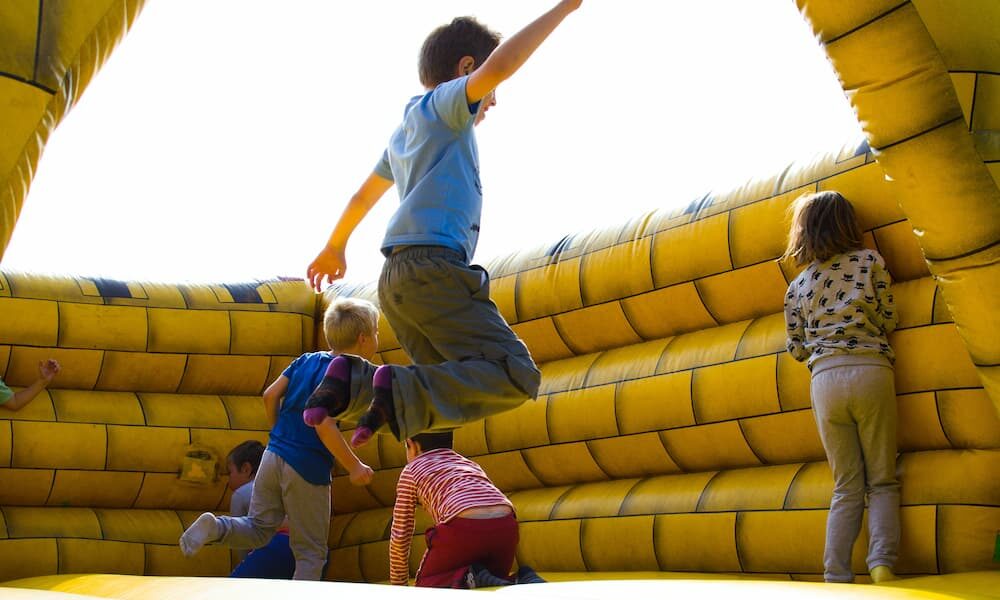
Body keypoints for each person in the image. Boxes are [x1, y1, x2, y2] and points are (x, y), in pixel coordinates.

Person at [303, 1, 584, 448]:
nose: (494, 99)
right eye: (489, 88)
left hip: (395, 281)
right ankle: (393, 389)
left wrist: (334, 246)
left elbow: (363, 195)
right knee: (515, 374)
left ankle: (357, 383)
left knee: (437, 398)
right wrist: (564, 10)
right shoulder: (447, 108)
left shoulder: (406, 131)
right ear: (468, 67)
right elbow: (504, 64)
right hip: (434, 269)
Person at [179, 298, 378, 580]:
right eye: (377, 332)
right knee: (310, 552)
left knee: (259, 528)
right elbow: (322, 423)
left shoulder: (306, 360)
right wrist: (354, 465)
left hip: (273, 455)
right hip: (307, 465)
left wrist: (278, 434)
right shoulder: (346, 374)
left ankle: (216, 527)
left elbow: (270, 395)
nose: (378, 339)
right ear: (363, 339)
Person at [783, 191, 900, 584]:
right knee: (882, 477)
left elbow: (796, 348)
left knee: (846, 484)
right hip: (870, 369)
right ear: (849, 225)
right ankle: (882, 562)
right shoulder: (870, 262)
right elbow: (888, 317)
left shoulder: (797, 286)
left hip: (825, 381)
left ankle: (836, 575)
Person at [389, 431, 544, 588]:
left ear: (412, 445)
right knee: (492, 581)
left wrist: (399, 585)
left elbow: (401, 533)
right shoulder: (468, 464)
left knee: (426, 587)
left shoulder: (411, 471)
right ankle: (522, 578)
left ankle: (468, 577)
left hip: (463, 527)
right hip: (506, 527)